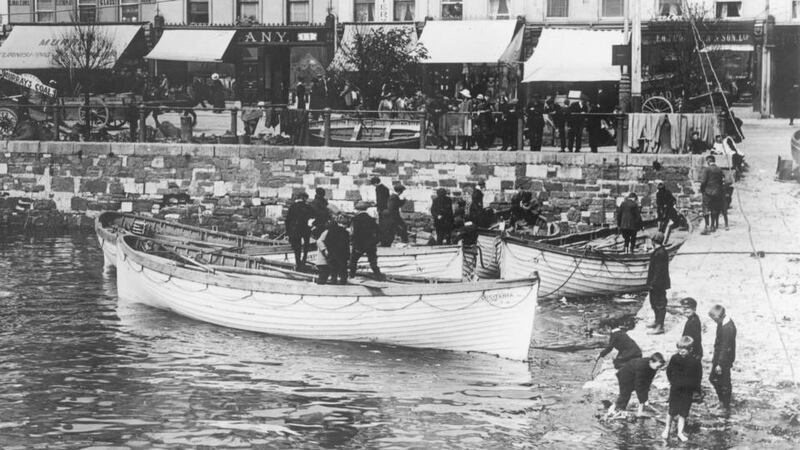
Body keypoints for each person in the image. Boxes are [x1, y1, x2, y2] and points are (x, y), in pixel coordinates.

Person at [662, 336, 703, 442]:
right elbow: (669, 371)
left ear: (690, 349)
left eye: (684, 349)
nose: (681, 351)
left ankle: (680, 432)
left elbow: (698, 377)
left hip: (687, 391)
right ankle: (667, 429)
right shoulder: (674, 358)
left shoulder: (695, 362)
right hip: (675, 389)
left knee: (683, 413)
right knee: (671, 410)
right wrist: (672, 382)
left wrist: (696, 391)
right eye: (679, 349)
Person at [605, 353, 666, 419]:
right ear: (651, 362)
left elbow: (648, 381)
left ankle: (639, 411)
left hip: (633, 375)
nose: (659, 369)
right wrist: (643, 399)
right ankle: (617, 410)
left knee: (642, 392)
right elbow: (639, 386)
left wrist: (645, 397)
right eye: (658, 366)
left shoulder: (653, 367)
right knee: (625, 394)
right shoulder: (642, 366)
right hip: (624, 375)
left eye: (660, 367)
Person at [709, 304, 736, 412]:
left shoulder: (727, 328)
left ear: (719, 317)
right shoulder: (724, 322)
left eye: (714, 319)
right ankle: (722, 402)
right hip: (720, 357)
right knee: (715, 379)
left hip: (724, 360)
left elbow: (725, 347)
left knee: (723, 382)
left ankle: (725, 406)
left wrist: (720, 363)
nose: (714, 321)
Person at [349, 202, 384, 279]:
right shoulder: (371, 219)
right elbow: (379, 232)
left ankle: (351, 276)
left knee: (353, 261)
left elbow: (354, 233)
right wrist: (375, 241)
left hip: (359, 245)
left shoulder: (355, 219)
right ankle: (379, 277)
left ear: (358, 210)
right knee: (373, 262)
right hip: (370, 244)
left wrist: (353, 242)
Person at [646, 231, 670, 335]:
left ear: (653, 241)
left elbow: (658, 271)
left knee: (660, 304)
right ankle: (657, 321)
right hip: (656, 283)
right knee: (653, 302)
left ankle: (660, 326)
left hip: (658, 284)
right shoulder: (659, 251)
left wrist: (653, 283)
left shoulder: (660, 253)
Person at [316, 215, 350, 285]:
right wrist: (325, 250)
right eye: (343, 224)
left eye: (345, 225)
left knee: (336, 273)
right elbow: (319, 241)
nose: (344, 226)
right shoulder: (329, 231)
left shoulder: (344, 233)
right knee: (325, 274)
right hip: (326, 256)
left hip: (335, 257)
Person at [285, 191, 314, 271]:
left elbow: (287, 220)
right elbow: (313, 217)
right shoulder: (308, 207)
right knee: (306, 246)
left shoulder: (293, 206)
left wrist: (288, 232)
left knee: (297, 248)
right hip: (305, 229)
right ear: (304, 198)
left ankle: (298, 264)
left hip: (295, 230)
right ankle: (303, 262)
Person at [700, 155, 725, 233]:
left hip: (707, 192)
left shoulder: (706, 170)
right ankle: (713, 226)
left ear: (708, 161)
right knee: (714, 209)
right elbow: (722, 181)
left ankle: (707, 226)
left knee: (706, 208)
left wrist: (702, 189)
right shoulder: (719, 169)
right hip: (717, 192)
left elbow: (703, 181)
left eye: (707, 161)